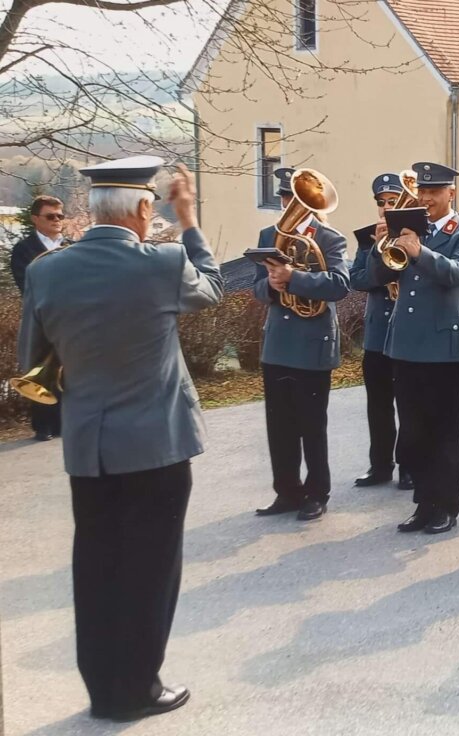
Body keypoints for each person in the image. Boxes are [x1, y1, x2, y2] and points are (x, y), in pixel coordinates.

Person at [17, 157, 222, 721]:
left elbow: (31, 364)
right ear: (141, 209)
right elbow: (213, 288)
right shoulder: (163, 261)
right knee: (151, 567)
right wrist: (189, 220)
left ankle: (103, 688)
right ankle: (138, 687)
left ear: (91, 211)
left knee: (97, 565)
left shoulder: (46, 269)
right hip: (156, 445)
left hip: (89, 445)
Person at [368, 161, 459, 534]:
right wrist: (378, 248)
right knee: (414, 431)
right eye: (422, 191)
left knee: (444, 432)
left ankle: (445, 506)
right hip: (404, 344)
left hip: (443, 347)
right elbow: (375, 277)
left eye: (434, 192)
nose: (425, 198)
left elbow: (457, 274)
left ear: (451, 193)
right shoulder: (406, 229)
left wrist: (418, 250)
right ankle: (423, 502)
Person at [253, 167, 351, 521]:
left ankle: (317, 492)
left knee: (311, 424)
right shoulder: (268, 234)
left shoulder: (329, 238)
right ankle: (287, 491)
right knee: (279, 425)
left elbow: (339, 284)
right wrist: (273, 286)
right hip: (278, 342)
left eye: (295, 200)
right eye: (285, 198)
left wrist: (295, 278)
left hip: (312, 343)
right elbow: (257, 288)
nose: (288, 205)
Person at [350, 173, 414, 491]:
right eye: (383, 203)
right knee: (378, 403)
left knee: (408, 402)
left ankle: (408, 465)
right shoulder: (367, 238)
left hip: (406, 332)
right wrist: (377, 250)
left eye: (394, 202)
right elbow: (359, 280)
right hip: (377, 334)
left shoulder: (416, 237)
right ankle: (380, 465)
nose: (387, 207)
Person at [10, 194, 66, 441]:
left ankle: (64, 424)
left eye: (60, 216)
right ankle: (43, 426)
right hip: (40, 320)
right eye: (50, 216)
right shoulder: (24, 249)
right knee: (42, 371)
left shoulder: (73, 246)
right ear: (35, 219)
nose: (56, 220)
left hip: (70, 320)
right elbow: (26, 285)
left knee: (69, 372)